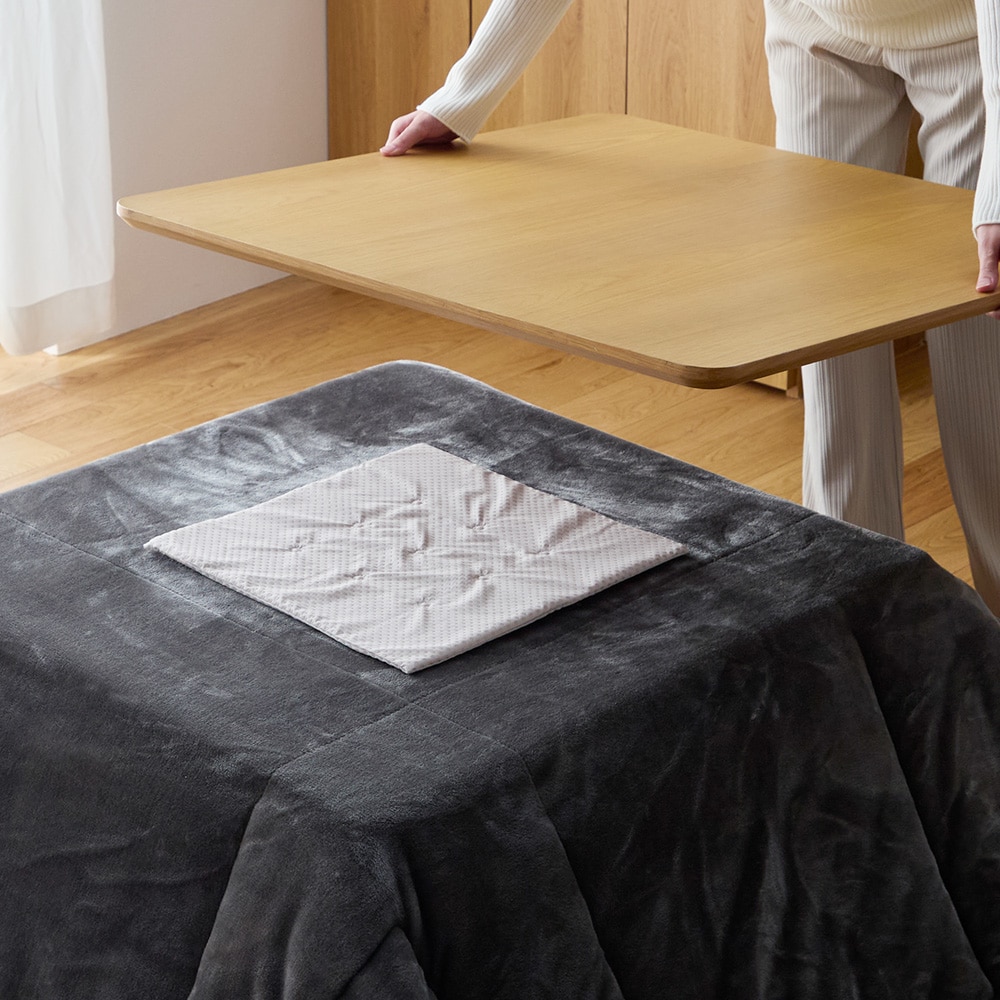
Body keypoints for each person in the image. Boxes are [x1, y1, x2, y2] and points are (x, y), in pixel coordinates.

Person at [381, 0, 1000, 615]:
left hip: (971, 39)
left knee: (978, 337)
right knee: (830, 326)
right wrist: (461, 97)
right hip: (816, 25)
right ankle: (859, 615)